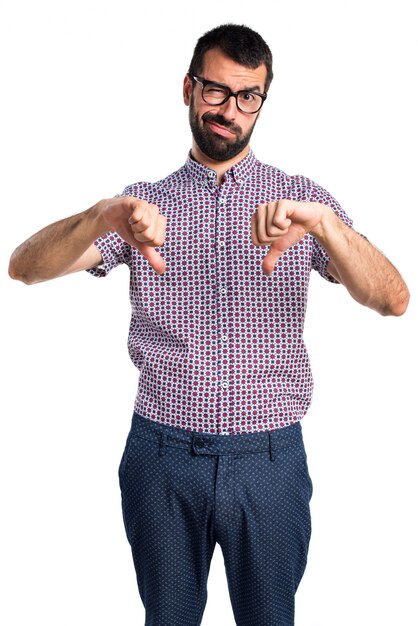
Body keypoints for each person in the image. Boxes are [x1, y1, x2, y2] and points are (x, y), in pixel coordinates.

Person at [9, 22, 409, 626]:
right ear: (189, 89)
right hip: (161, 459)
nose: (230, 110)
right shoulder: (141, 206)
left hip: (270, 462)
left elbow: (393, 299)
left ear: (263, 102)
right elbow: (24, 269)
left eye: (248, 96)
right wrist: (102, 216)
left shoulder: (300, 202)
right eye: (216, 91)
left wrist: (327, 226)